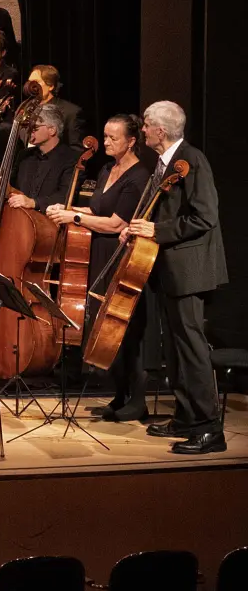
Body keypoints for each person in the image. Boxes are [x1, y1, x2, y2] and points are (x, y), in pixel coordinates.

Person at [126, 101, 228, 454]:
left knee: (191, 347)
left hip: (190, 270)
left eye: (146, 125)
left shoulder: (192, 160)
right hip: (170, 269)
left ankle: (209, 429)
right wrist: (138, 228)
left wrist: (156, 229)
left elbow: (204, 217)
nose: (142, 130)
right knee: (175, 347)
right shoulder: (166, 162)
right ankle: (187, 417)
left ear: (161, 131)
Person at [47, 114, 151, 422]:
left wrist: (74, 219)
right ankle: (120, 395)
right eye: (104, 136)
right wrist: (66, 209)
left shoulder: (139, 176)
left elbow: (115, 222)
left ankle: (138, 398)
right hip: (99, 253)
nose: (106, 142)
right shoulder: (107, 168)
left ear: (132, 141)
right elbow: (95, 209)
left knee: (124, 330)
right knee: (104, 328)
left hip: (118, 255)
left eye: (113, 138)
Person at [8, 103, 78, 212]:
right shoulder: (24, 155)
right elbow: (12, 187)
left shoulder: (71, 158)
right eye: (28, 127)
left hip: (49, 221)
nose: (29, 131)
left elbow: (65, 196)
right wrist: (1, 183)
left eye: (34, 127)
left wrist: (33, 203)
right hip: (19, 216)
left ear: (52, 130)